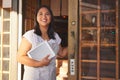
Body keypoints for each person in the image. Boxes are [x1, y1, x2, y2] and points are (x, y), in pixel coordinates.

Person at [17, 5, 68, 80]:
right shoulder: (30, 35)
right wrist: (39, 63)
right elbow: (19, 57)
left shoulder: (55, 36)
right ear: (36, 18)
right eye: (40, 14)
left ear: (51, 17)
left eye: (47, 14)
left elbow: (62, 53)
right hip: (34, 77)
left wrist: (75, 43)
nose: (44, 17)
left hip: (50, 76)